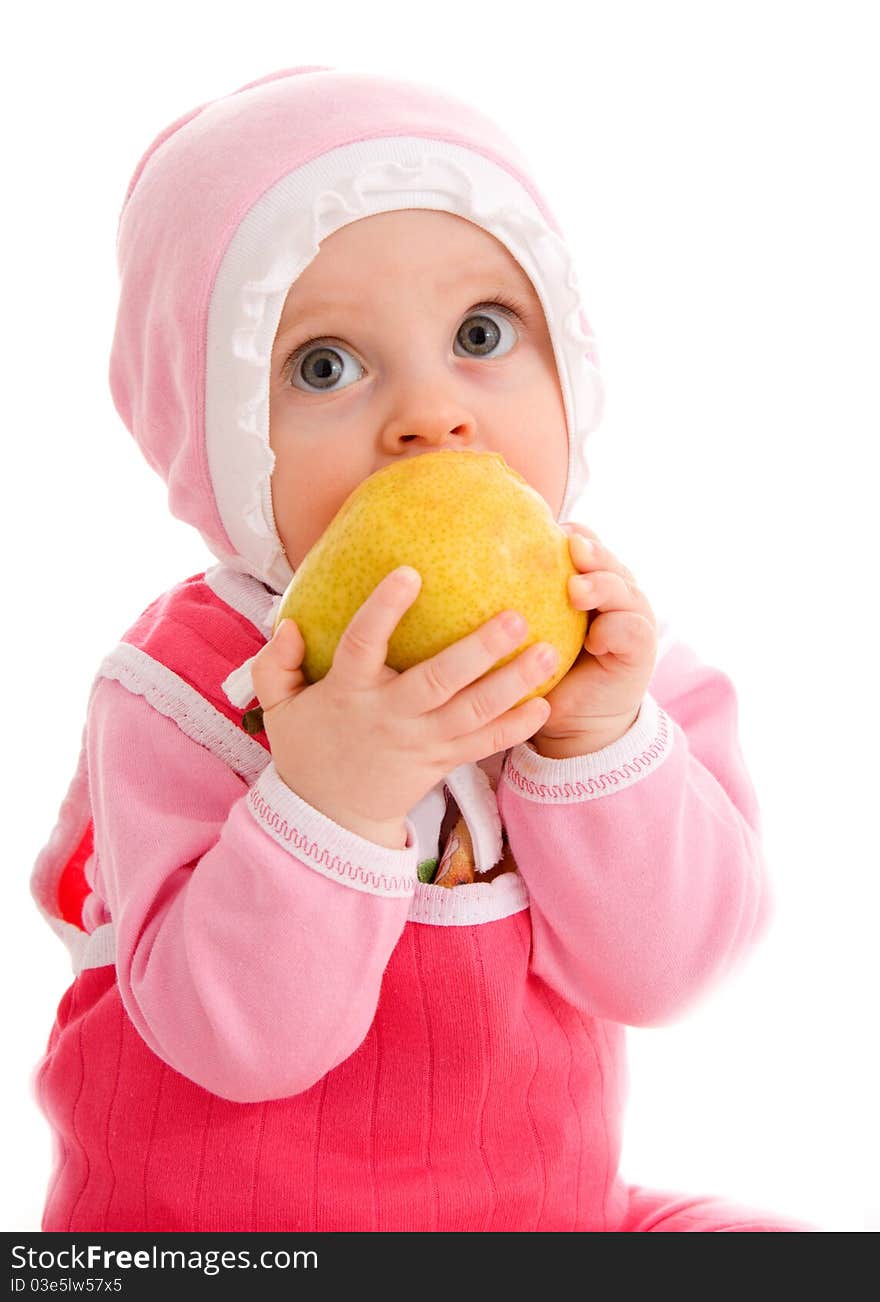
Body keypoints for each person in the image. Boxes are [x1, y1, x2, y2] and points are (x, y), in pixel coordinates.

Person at [30, 66, 816, 1232]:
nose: (430, 415)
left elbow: (672, 975)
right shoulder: (180, 693)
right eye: (323, 366)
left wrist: (597, 746)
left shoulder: (601, 652)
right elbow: (237, 1046)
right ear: (210, 428)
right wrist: (330, 799)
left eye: (482, 334)